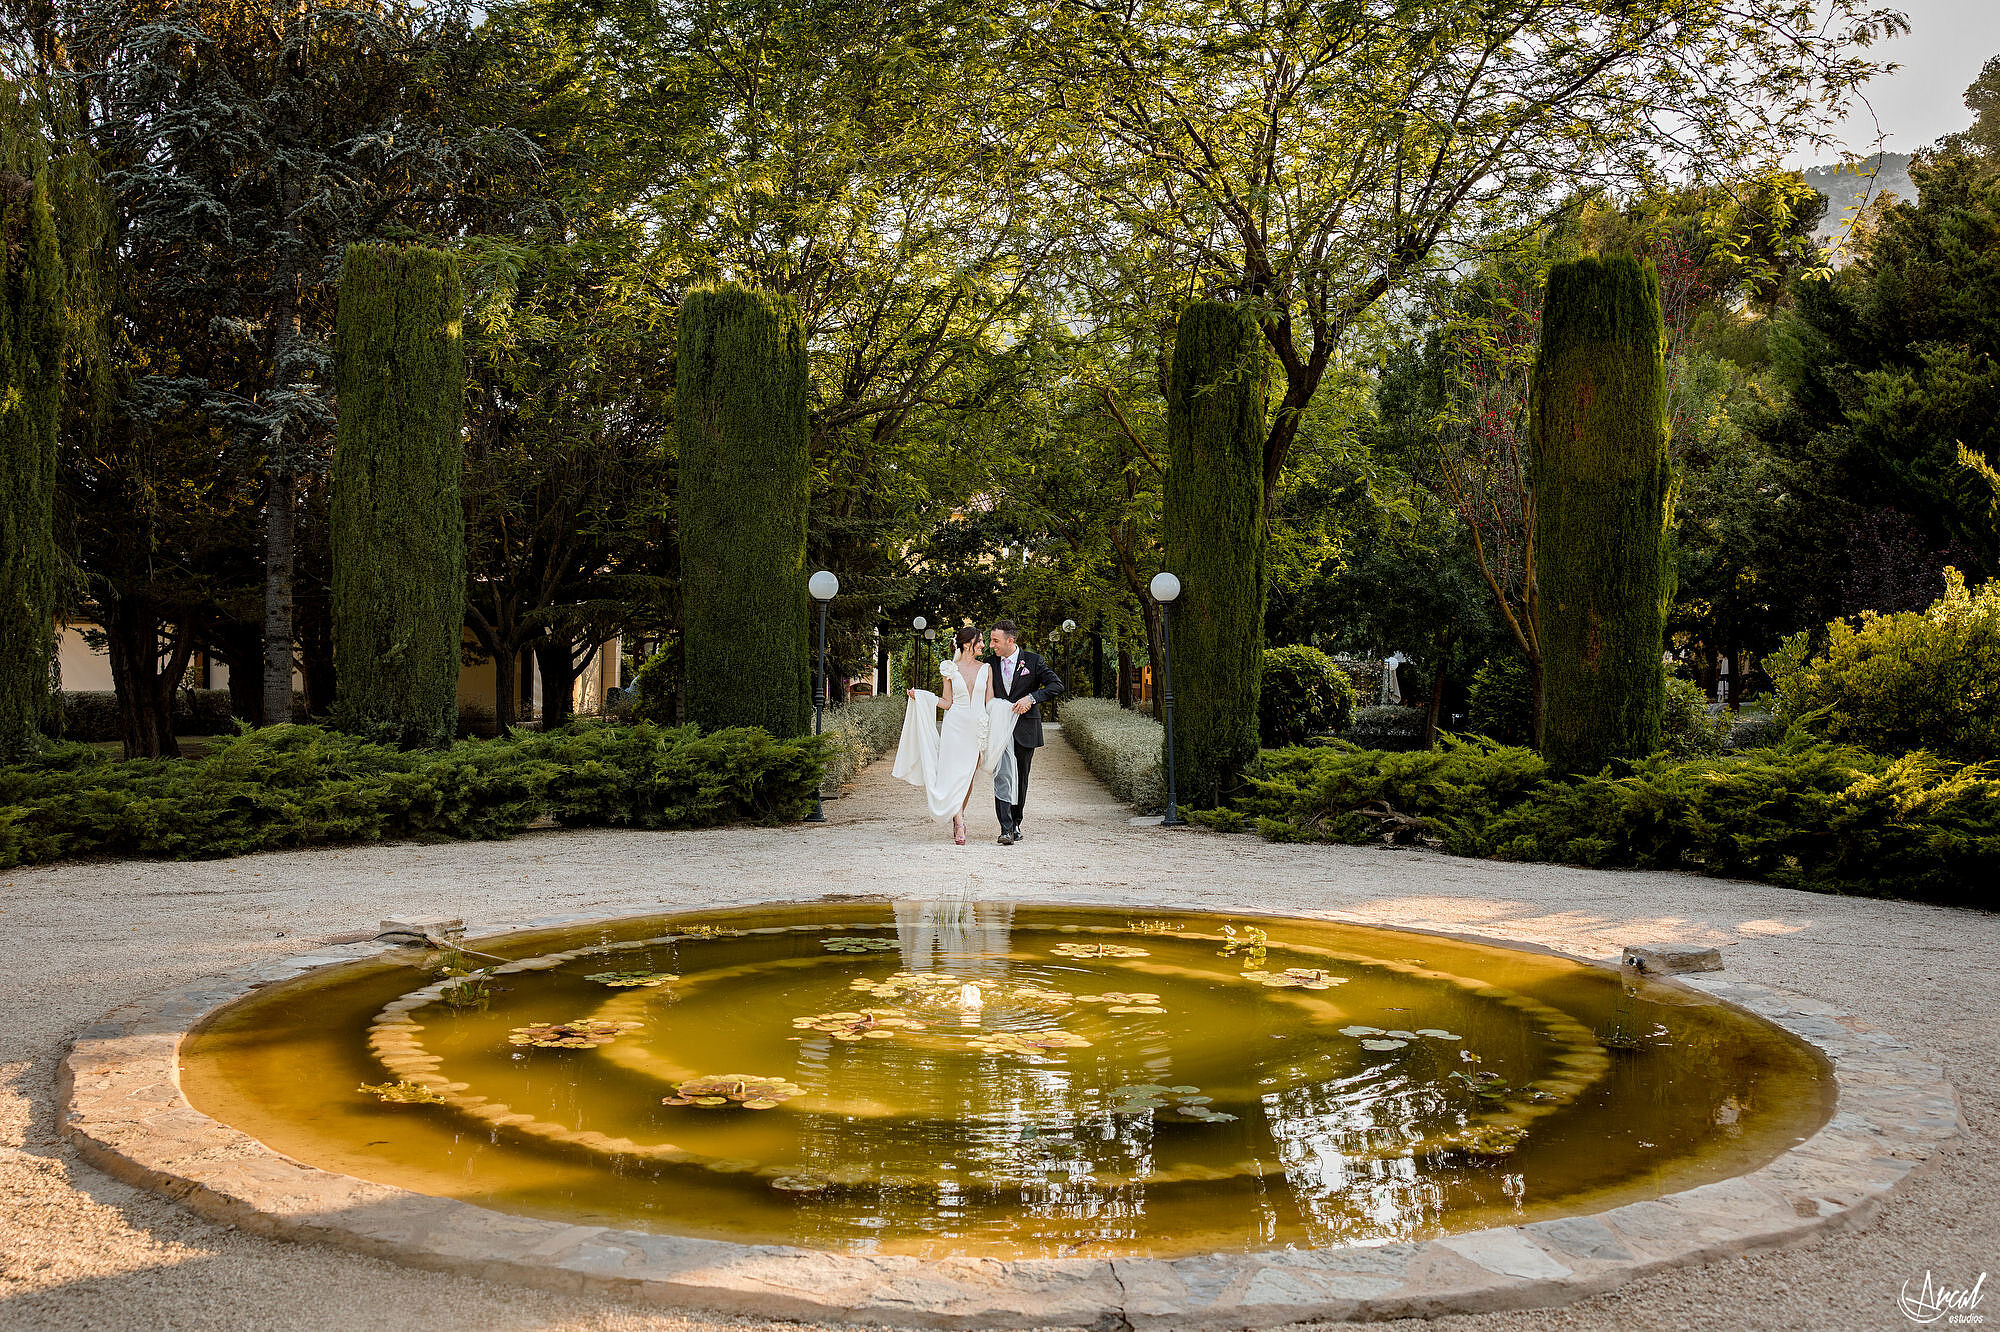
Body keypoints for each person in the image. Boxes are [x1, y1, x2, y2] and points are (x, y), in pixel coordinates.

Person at [890, 627, 1022, 845]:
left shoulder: (987, 668)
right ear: (967, 643)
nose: (983, 645)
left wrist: (1008, 710)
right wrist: (921, 697)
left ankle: (957, 814)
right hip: (955, 727)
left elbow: (990, 701)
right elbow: (947, 702)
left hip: (977, 727)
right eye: (979, 641)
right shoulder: (949, 668)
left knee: (968, 775)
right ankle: (959, 821)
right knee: (954, 774)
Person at [983, 620, 1064, 845]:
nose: (991, 645)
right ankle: (1005, 828)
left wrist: (1031, 698)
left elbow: (1056, 686)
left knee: (1021, 777)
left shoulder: (1033, 661)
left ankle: (1016, 822)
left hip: (1025, 728)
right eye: (990, 640)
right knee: (1002, 775)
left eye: (995, 640)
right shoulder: (988, 664)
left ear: (1011, 640)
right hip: (999, 729)